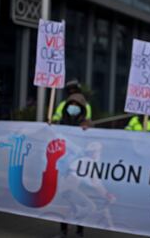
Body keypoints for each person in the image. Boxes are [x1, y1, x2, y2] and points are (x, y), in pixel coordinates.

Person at [57, 92, 91, 237]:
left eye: (77, 105)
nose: (73, 107)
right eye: (71, 104)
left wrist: (88, 129)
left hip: (79, 168)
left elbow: (91, 143)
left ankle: (79, 231)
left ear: (82, 108)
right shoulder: (61, 123)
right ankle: (63, 230)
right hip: (64, 166)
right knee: (65, 198)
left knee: (78, 198)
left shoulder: (87, 123)